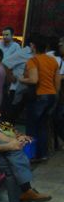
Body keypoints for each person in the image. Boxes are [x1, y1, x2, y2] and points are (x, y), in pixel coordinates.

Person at [0, 126, 51, 202]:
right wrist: (8, 146)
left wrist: (15, 141)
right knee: (13, 163)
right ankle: (22, 197)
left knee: (14, 154)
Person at [19, 34, 62, 162]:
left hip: (39, 96)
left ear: (33, 46)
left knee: (31, 126)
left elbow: (34, 79)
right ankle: (42, 154)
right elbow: (57, 80)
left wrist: (21, 79)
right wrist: (55, 94)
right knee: (42, 126)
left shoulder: (33, 60)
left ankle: (30, 155)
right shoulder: (52, 60)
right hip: (52, 96)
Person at [1, 38, 34, 122]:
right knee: (10, 116)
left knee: (15, 115)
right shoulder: (24, 52)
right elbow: (5, 63)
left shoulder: (38, 55)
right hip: (16, 89)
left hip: (27, 89)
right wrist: (11, 78)